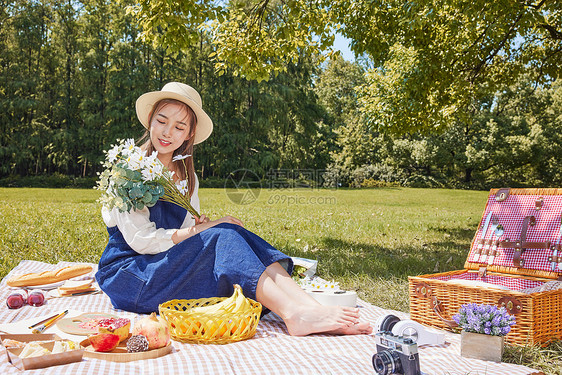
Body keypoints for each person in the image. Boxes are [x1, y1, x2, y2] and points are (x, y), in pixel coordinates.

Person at [95, 82, 372, 336]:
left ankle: (310, 307)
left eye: (179, 127)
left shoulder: (187, 177)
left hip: (162, 268)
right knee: (222, 236)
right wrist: (202, 231)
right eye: (162, 121)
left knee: (229, 232)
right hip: (131, 276)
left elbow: (182, 237)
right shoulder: (129, 171)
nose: (168, 132)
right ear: (150, 121)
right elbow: (141, 241)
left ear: (190, 133)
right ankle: (293, 314)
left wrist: (201, 230)